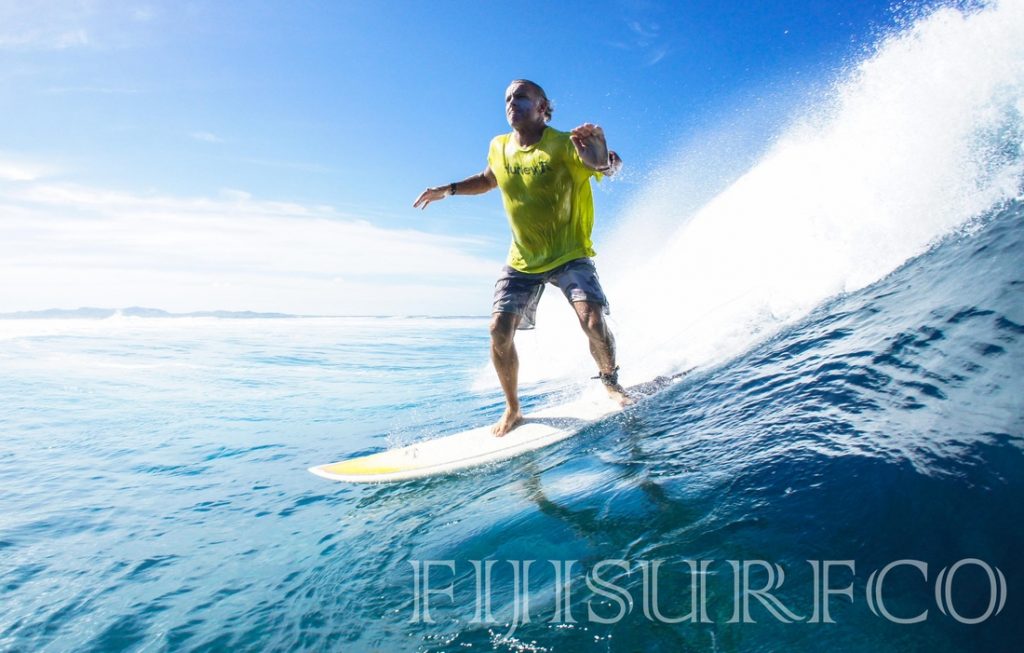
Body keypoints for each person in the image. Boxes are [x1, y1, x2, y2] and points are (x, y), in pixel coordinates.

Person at [413, 79, 629, 437]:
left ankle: (610, 382)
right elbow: (487, 179)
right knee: (499, 330)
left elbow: (608, 167)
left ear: (544, 108)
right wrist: (447, 190)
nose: (512, 102)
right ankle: (513, 409)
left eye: (522, 97)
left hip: (569, 254)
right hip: (523, 259)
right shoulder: (499, 146)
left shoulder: (564, 144)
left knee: (592, 321)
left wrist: (605, 163)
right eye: (508, 98)